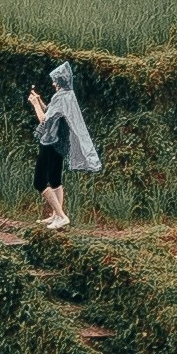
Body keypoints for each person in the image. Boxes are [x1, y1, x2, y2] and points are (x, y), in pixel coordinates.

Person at [30, 60, 104, 233]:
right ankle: (56, 215)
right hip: (60, 144)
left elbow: (44, 120)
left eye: (55, 80)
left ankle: (61, 216)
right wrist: (40, 101)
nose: (53, 83)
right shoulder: (68, 95)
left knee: (39, 182)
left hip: (49, 143)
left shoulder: (61, 97)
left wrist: (34, 104)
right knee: (55, 179)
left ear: (61, 80)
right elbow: (52, 112)